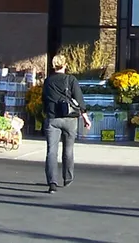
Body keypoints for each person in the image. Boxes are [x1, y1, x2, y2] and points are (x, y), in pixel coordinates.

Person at [42, 54, 91, 194]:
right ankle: (67, 178)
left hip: (52, 118)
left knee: (51, 151)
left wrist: (45, 114)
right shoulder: (71, 79)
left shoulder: (48, 81)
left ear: (53, 65)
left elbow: (44, 99)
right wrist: (85, 117)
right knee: (68, 149)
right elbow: (79, 99)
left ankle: (52, 183)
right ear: (65, 65)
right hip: (70, 119)